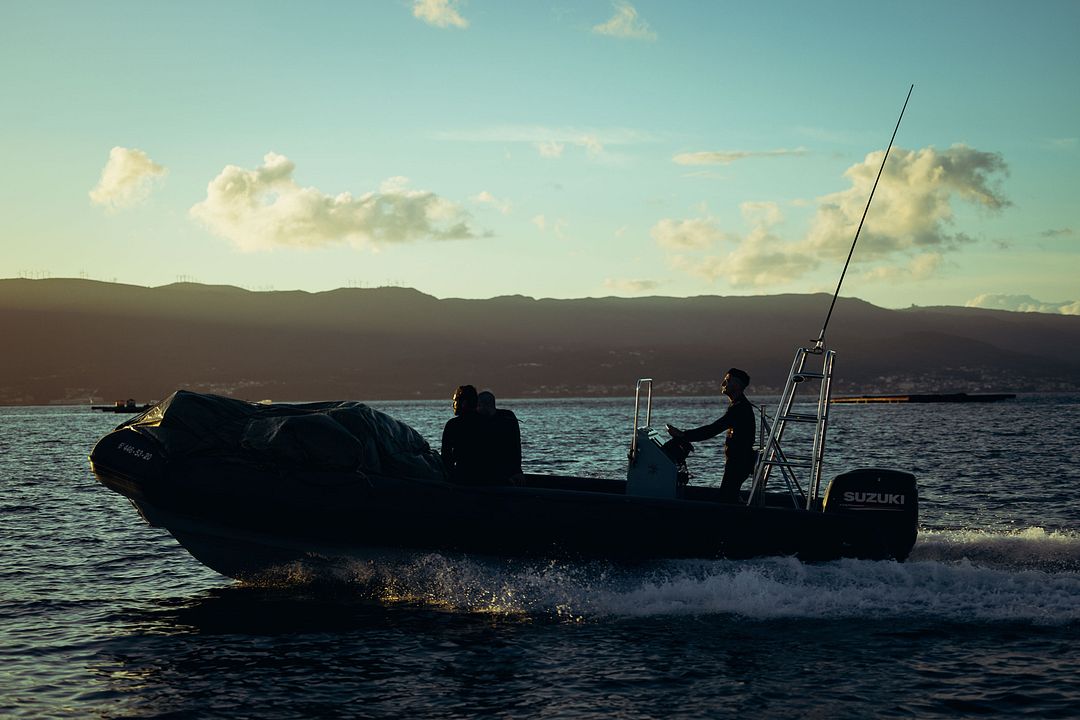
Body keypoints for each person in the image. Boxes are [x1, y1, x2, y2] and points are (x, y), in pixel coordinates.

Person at [666, 368, 755, 503]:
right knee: (728, 495)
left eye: (727, 380)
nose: (723, 383)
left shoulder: (739, 408)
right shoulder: (738, 406)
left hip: (739, 462)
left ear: (737, 385)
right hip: (738, 461)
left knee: (727, 497)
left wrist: (683, 435)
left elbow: (712, 429)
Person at [441, 385, 490, 484]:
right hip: (488, 476)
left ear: (464, 403)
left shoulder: (453, 425)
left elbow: (446, 456)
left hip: (463, 476)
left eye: (455, 401)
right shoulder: (488, 422)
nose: (453, 404)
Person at [477, 390, 523, 484]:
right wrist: (517, 470)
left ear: (482, 405)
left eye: (478, 405)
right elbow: (516, 446)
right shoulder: (508, 416)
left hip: (497, 473)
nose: (476, 409)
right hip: (508, 471)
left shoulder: (479, 421)